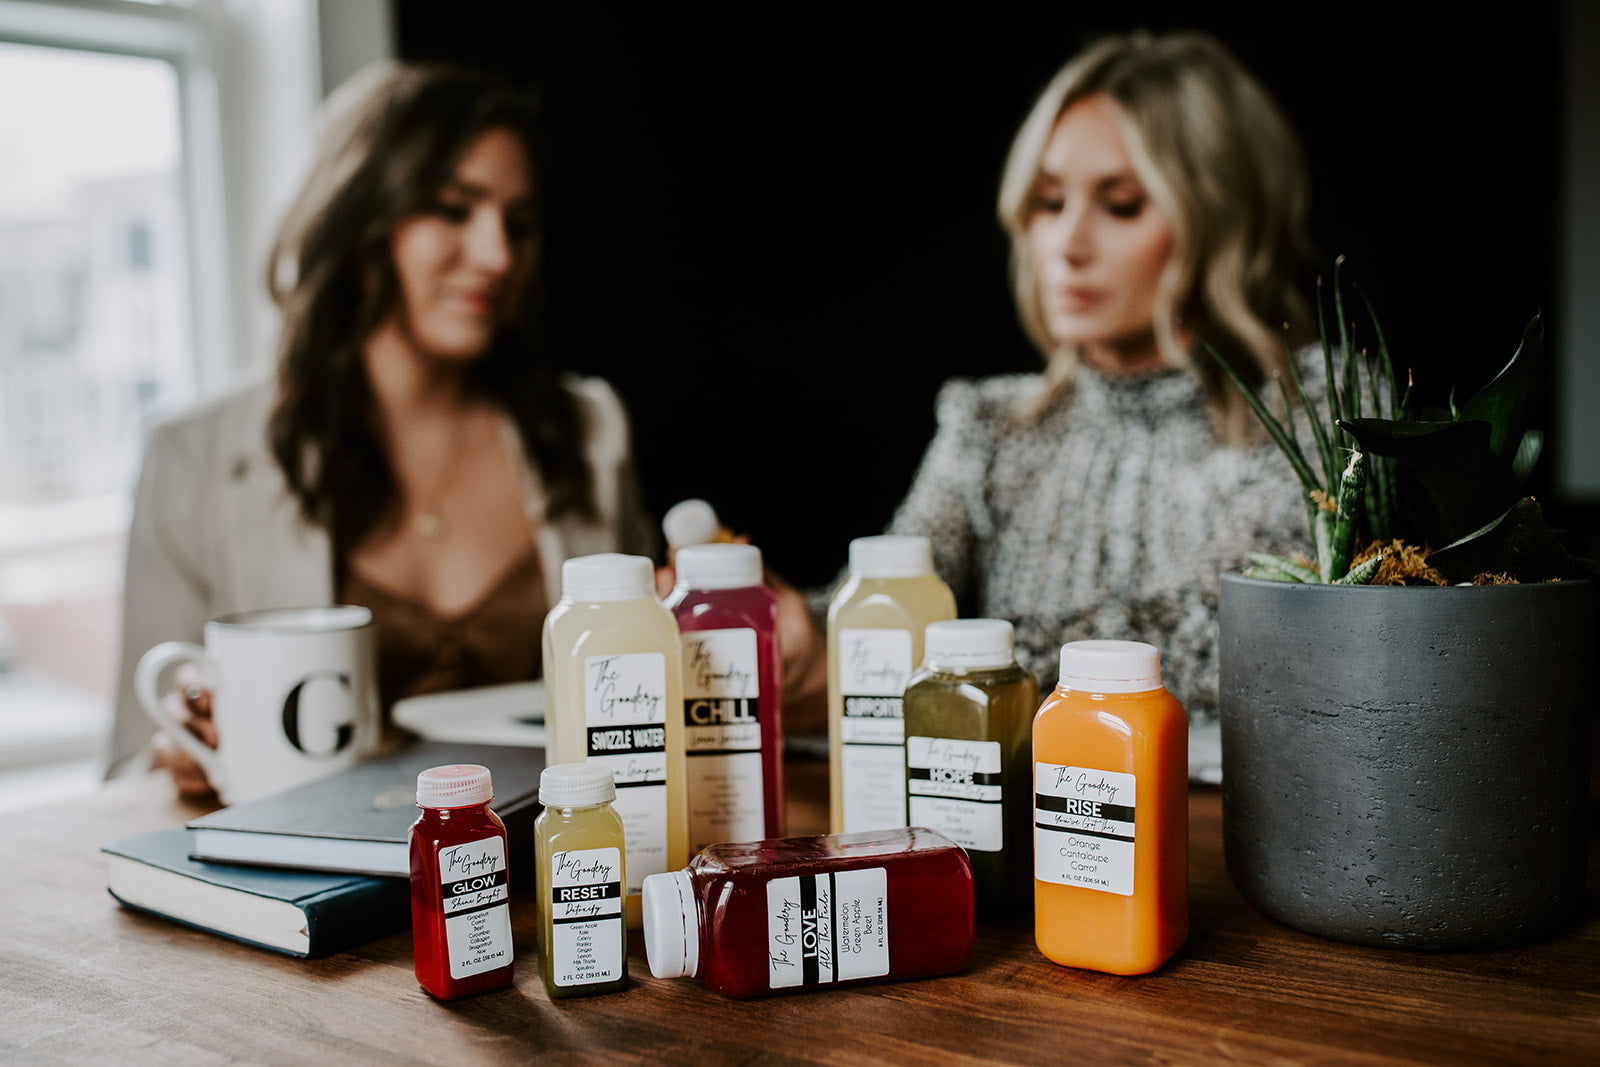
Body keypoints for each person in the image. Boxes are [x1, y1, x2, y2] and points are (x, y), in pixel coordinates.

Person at [107, 61, 655, 793]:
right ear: (358, 216)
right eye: (454, 209)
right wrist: (181, 752)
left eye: (519, 225)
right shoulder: (194, 460)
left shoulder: (589, 430)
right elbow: (128, 766)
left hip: (548, 883)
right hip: (305, 892)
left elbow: (648, 696)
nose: (497, 255)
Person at [783, 30, 1318, 732]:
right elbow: (893, 596)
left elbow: (1237, 638)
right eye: (1047, 201)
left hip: (1225, 837)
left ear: (1221, 220)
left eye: (1121, 203)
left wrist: (906, 659)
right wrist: (794, 633)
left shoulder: (1314, 414)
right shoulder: (993, 426)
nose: (1068, 243)